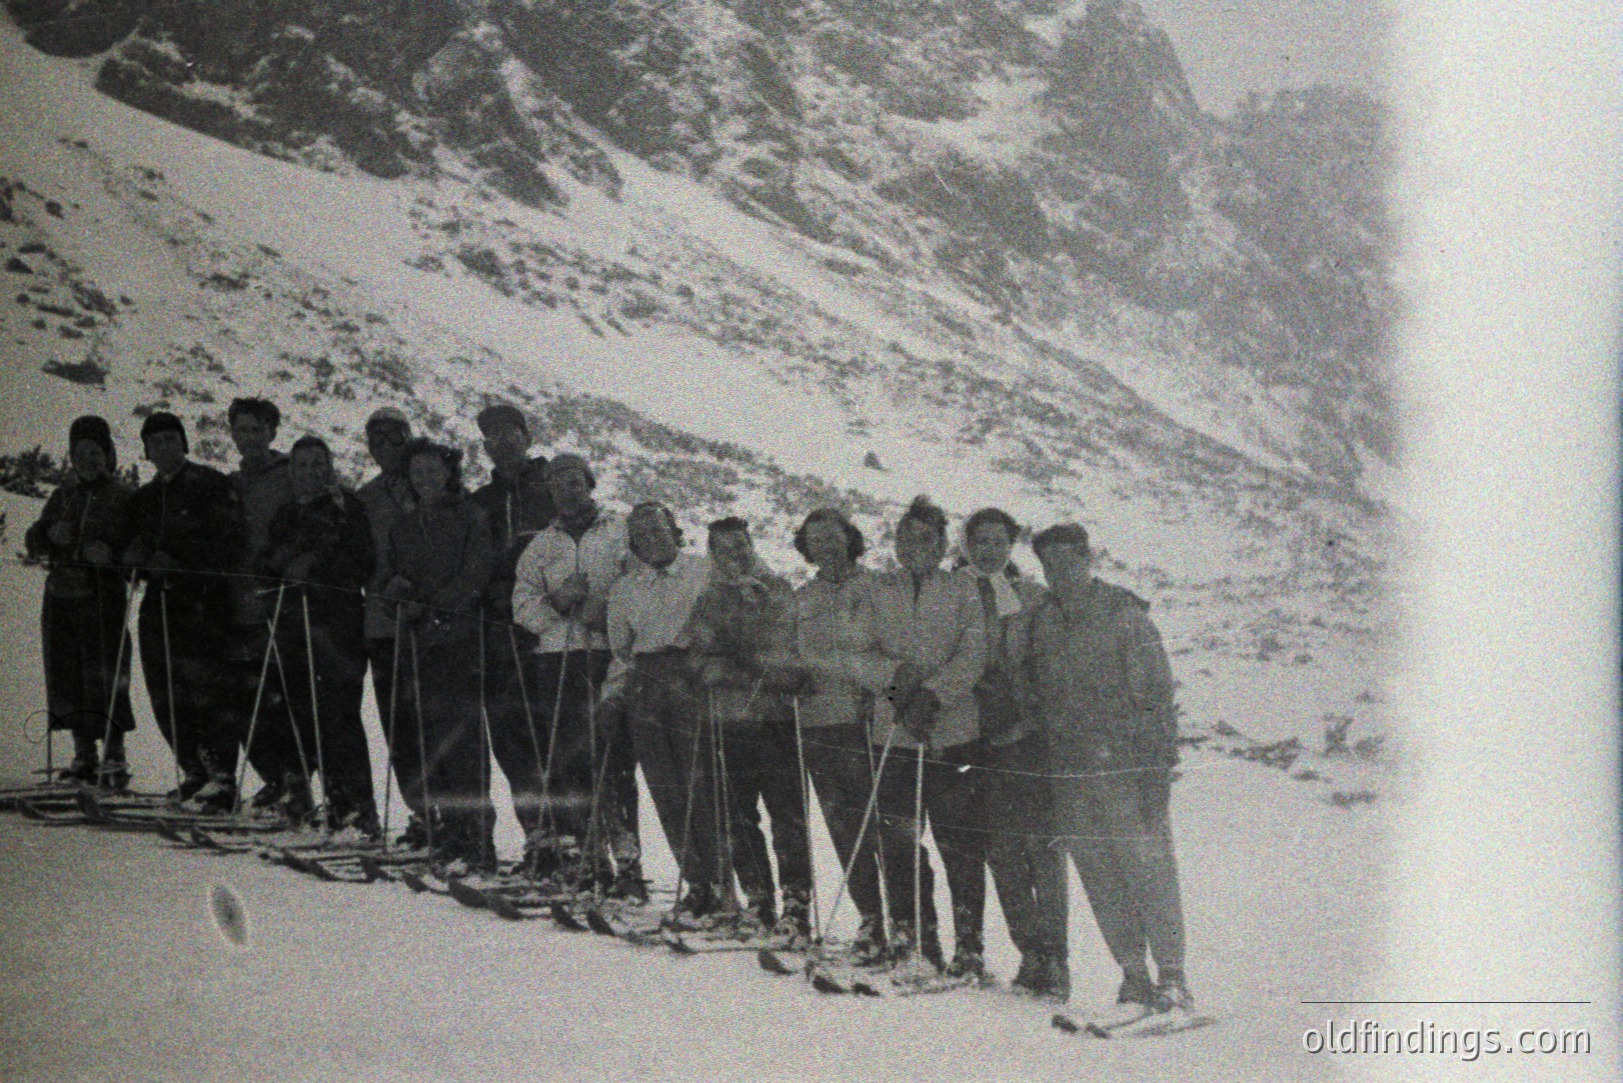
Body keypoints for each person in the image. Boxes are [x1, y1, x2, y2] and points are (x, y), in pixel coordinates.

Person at [1025, 522, 1190, 1011]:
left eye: (1068, 560)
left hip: (1125, 767)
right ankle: (1133, 974)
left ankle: (1173, 976)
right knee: (1099, 873)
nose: (1059, 572)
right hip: (1069, 770)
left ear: (1087, 558)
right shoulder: (1043, 620)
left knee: (1149, 871)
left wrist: (1156, 768)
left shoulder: (1123, 614)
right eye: (1049, 563)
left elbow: (1158, 696)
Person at [863, 496, 986, 975]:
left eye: (927, 539)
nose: (916, 546)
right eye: (907, 537)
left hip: (952, 732)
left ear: (941, 544)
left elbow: (972, 655)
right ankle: (916, 936)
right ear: (894, 543)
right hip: (893, 733)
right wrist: (897, 684)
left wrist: (933, 695)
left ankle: (969, 944)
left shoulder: (962, 590)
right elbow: (860, 651)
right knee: (897, 840)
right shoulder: (878, 589)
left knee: (959, 841)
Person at [681, 517, 813, 938]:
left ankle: (796, 901)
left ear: (751, 545)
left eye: (739, 545)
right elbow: (698, 659)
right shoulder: (708, 599)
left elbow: (787, 655)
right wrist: (717, 667)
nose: (733, 555)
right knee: (738, 816)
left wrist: (737, 662)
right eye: (722, 548)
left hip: (775, 719)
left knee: (787, 815)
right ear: (713, 555)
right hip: (728, 720)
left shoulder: (778, 590)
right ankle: (759, 899)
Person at [510, 453, 635, 887]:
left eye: (576, 481)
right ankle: (588, 856)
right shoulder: (541, 545)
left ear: (590, 484)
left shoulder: (620, 532)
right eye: (559, 483)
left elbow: (639, 588)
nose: (568, 489)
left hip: (605, 654)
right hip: (557, 657)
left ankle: (628, 860)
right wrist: (557, 603)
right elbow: (522, 606)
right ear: (549, 491)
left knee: (612, 757)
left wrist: (607, 614)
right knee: (569, 758)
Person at [962, 507, 1069, 999]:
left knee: (1041, 850)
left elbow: (1049, 664)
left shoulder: (1032, 597)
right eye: (978, 540)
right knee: (1000, 851)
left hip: (1027, 740)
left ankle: (1056, 958)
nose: (987, 549)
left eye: (997, 540)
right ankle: (1029, 952)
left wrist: (1027, 714)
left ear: (1011, 543)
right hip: (973, 736)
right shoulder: (953, 591)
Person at [786, 508, 897, 963]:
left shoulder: (876, 588)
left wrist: (884, 694)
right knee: (843, 826)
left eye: (834, 537)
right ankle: (870, 917)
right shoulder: (802, 597)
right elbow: (790, 655)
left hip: (867, 722)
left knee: (883, 825)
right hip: (817, 723)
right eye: (816, 540)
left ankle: (905, 921)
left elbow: (894, 650)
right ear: (805, 547)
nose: (826, 547)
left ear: (850, 539)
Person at [379, 438, 495, 867]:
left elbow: (476, 574)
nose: (425, 480)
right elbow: (387, 578)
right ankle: (451, 831)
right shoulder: (403, 526)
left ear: (449, 472)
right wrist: (394, 595)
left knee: (463, 741)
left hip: (458, 642)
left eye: (433, 471)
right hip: (416, 644)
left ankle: (478, 840)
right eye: (416, 473)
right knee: (430, 741)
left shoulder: (470, 517)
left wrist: (437, 610)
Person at [121, 412, 245, 809]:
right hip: (159, 606)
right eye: (154, 441)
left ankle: (221, 776)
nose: (163, 448)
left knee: (208, 690)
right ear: (146, 450)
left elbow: (229, 542)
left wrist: (178, 559)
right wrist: (134, 557)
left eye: (170, 439)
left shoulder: (211, 484)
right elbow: (129, 551)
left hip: (204, 604)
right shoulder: (143, 498)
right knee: (165, 692)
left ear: (184, 443)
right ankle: (193, 770)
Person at [605, 502, 722, 914]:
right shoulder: (625, 588)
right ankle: (696, 883)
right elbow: (621, 650)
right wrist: (613, 694)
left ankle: (724, 888)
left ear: (675, 530)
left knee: (701, 787)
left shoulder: (704, 570)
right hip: (645, 684)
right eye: (640, 536)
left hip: (692, 680)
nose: (651, 540)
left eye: (658, 531)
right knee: (666, 789)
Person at [259, 436, 379, 834]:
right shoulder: (285, 513)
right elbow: (267, 566)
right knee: (299, 713)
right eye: (302, 465)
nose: (309, 472)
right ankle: (315, 800)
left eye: (317, 464)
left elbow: (362, 561)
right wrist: (278, 564)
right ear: (291, 471)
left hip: (336, 626)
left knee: (338, 717)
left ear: (329, 468)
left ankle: (356, 809)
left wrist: (318, 565)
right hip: (293, 624)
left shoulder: (347, 508)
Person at [24, 416, 136, 788]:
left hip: (103, 600)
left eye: (95, 452)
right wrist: (47, 535)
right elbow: (34, 539)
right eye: (80, 452)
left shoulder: (122, 496)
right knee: (66, 672)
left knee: (105, 673)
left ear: (108, 453)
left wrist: (113, 554)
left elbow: (137, 546)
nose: (88, 459)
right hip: (60, 597)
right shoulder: (64, 494)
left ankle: (114, 755)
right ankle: (83, 752)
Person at [469, 402, 555, 840]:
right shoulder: (479, 502)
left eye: (511, 434)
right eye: (492, 438)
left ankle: (580, 843)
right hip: (499, 631)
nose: (502, 444)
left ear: (527, 437)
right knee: (511, 735)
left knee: (555, 734)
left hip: (551, 629)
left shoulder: (554, 488)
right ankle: (538, 835)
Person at [222, 397, 300, 811]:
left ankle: (296, 781)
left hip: (279, 606)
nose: (248, 438)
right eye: (241, 430)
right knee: (245, 700)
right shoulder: (232, 483)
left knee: (281, 699)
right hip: (238, 605)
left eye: (256, 429)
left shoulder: (290, 474)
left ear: (272, 432)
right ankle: (275, 778)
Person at [356, 407, 418, 840]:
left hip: (427, 625)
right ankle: (420, 811)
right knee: (399, 725)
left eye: (393, 439)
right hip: (381, 623)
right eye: (376, 442)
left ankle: (452, 816)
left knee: (434, 724)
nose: (385, 449)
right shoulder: (366, 497)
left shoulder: (430, 484)